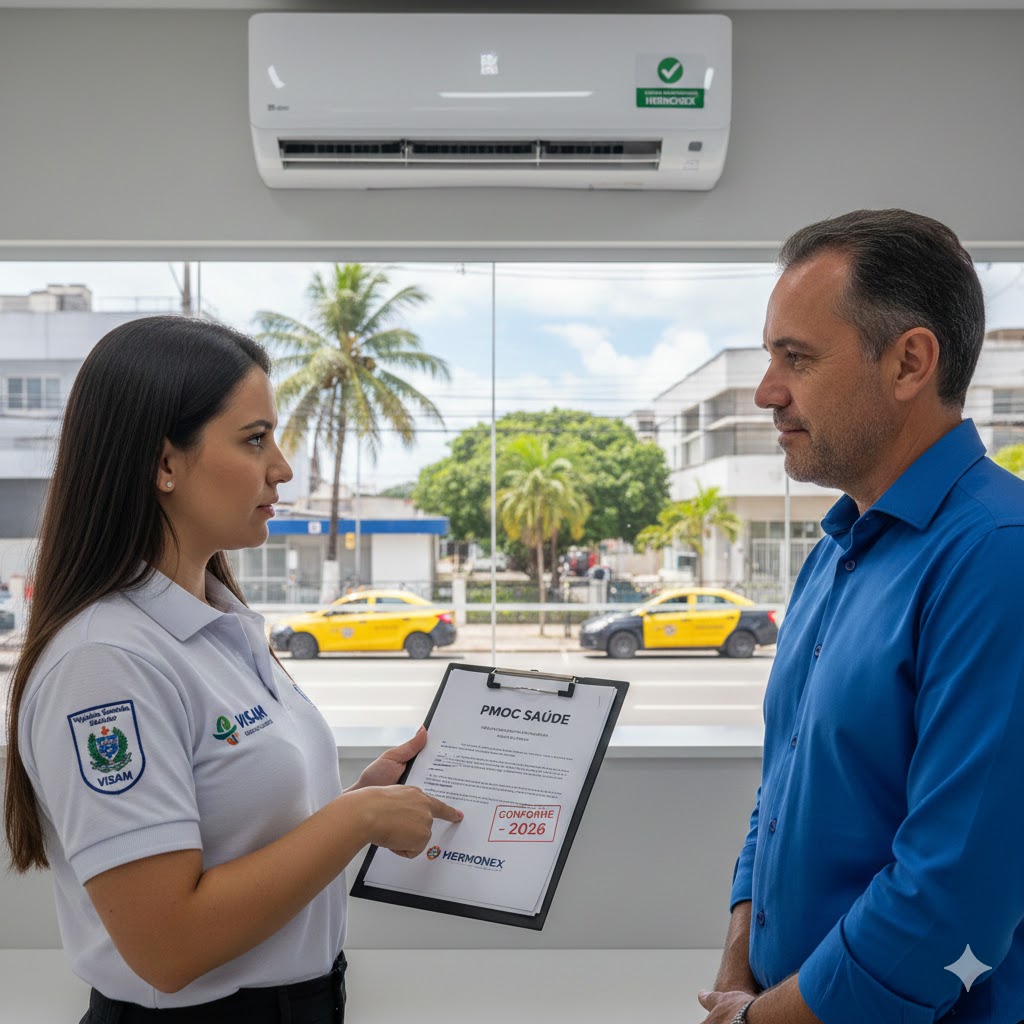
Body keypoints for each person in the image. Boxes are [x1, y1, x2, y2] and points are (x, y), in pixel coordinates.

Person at [2, 317, 462, 1022]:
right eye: (254, 439)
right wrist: (355, 819)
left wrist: (355, 800)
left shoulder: (216, 623)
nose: (280, 467)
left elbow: (238, 829)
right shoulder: (106, 662)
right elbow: (167, 947)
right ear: (163, 463)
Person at [698, 210, 1024, 1024]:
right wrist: (739, 975)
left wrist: (755, 1019)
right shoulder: (837, 551)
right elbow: (782, 790)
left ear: (910, 362)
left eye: (796, 358)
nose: (769, 391)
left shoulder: (998, 556)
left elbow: (953, 892)